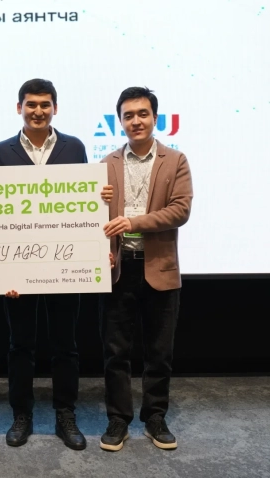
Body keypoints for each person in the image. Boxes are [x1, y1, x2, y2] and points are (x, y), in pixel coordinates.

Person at [0, 78, 112, 450]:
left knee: (65, 346)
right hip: (17, 267)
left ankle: (65, 415)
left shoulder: (74, 147)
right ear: (19, 108)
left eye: (45, 104)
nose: (38, 111)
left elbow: (84, 206)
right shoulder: (2, 152)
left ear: (55, 108)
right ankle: (21, 415)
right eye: (31, 104)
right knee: (20, 346)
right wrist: (0, 271)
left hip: (65, 265)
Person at [98, 86, 193, 452]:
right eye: (128, 116)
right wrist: (100, 251)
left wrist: (133, 222)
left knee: (159, 352)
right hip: (118, 269)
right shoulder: (106, 164)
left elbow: (180, 210)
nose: (135, 121)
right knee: (115, 352)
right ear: (119, 122)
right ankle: (118, 419)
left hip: (159, 268)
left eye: (142, 114)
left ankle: (155, 417)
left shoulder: (175, 160)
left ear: (155, 118)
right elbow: (91, 217)